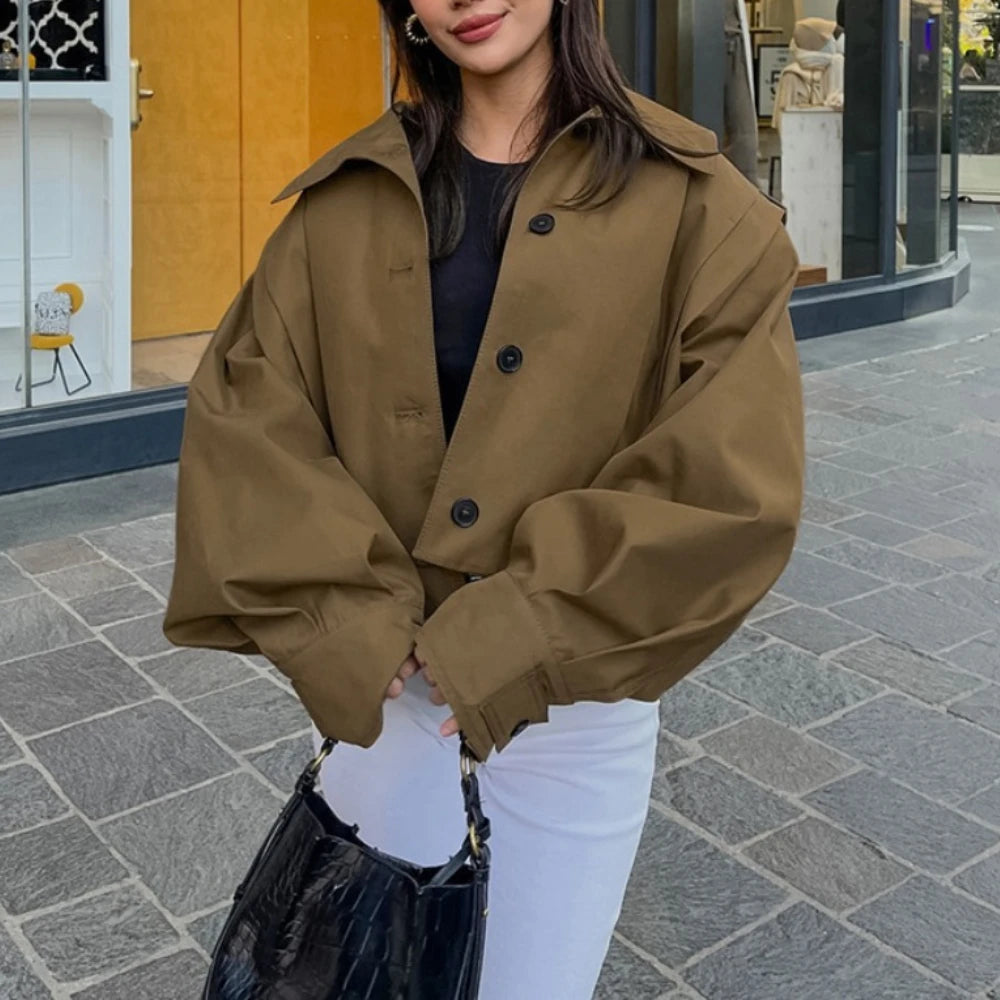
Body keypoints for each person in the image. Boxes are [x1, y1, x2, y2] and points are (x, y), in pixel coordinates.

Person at [163, 1, 805, 996]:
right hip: (393, 692)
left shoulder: (697, 206)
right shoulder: (345, 203)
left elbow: (727, 479)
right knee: (353, 975)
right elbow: (251, 411)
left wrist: (509, 634)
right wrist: (341, 617)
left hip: (577, 710)